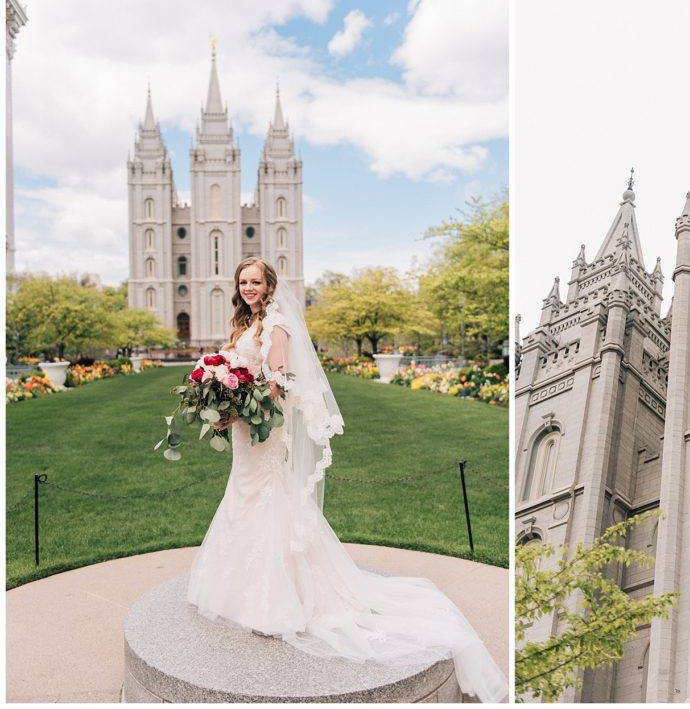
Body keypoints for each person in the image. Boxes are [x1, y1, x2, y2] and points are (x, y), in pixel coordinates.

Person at [187, 257, 508, 703]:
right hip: (244, 427)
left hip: (263, 424)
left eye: (255, 282)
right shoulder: (243, 325)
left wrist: (240, 407)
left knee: (267, 496)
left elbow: (277, 382)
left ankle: (283, 595)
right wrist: (221, 404)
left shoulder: (276, 324)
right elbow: (237, 372)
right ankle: (240, 588)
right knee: (244, 493)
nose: (248, 288)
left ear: (269, 284)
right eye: (243, 282)